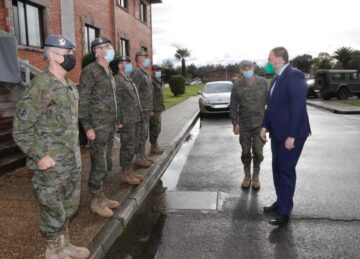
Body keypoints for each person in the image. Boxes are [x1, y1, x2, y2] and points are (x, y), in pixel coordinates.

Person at [13, 34, 89, 259]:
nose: (72, 58)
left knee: (68, 208)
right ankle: (53, 250)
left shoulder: (68, 86)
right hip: (51, 165)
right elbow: (21, 129)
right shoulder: (41, 86)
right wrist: (40, 156)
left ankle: (64, 245)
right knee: (53, 211)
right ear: (54, 56)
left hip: (71, 162)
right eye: (68, 54)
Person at [261, 47, 311, 225]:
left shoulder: (294, 75)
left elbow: (298, 107)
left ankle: (284, 212)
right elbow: (271, 106)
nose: (267, 61)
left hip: (292, 134)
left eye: (270, 58)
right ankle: (280, 201)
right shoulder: (276, 78)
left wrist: (292, 136)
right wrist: (264, 126)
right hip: (277, 133)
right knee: (277, 168)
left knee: (286, 171)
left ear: (280, 59)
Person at [78, 36, 119, 218]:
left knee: (106, 162)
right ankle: (95, 201)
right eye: (105, 46)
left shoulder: (108, 70)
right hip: (97, 125)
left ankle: (102, 196)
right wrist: (87, 127)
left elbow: (111, 99)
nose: (109, 49)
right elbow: (83, 100)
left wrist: (116, 120)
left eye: (109, 45)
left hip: (109, 125)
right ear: (97, 51)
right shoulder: (90, 71)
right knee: (99, 163)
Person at [230, 60, 268, 190]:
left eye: (249, 67)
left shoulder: (263, 82)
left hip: (260, 124)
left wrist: (268, 124)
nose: (247, 69)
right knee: (245, 152)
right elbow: (233, 105)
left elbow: (271, 103)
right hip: (244, 124)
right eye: (244, 68)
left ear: (254, 67)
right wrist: (235, 123)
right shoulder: (237, 85)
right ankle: (247, 176)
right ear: (241, 70)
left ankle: (256, 176)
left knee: (258, 152)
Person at [114, 56, 144, 185]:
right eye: (126, 63)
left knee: (131, 145)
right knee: (127, 146)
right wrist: (118, 120)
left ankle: (130, 170)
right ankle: (125, 174)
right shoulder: (118, 80)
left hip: (134, 117)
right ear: (120, 65)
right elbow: (117, 102)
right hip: (126, 120)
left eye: (129, 63)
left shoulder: (128, 79)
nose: (129, 65)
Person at [131, 50, 154, 167]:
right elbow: (134, 93)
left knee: (144, 134)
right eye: (146, 57)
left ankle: (143, 155)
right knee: (140, 134)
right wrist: (138, 110)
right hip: (140, 110)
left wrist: (150, 109)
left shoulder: (143, 72)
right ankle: (139, 158)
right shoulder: (136, 73)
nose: (148, 59)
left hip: (146, 109)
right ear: (140, 58)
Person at [149, 65, 166, 155]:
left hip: (158, 108)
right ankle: (153, 147)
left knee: (157, 128)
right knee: (155, 128)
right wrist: (151, 109)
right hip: (154, 109)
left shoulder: (158, 81)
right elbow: (149, 96)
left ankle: (155, 145)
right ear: (152, 71)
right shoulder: (151, 81)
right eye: (156, 70)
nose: (158, 72)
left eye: (159, 70)